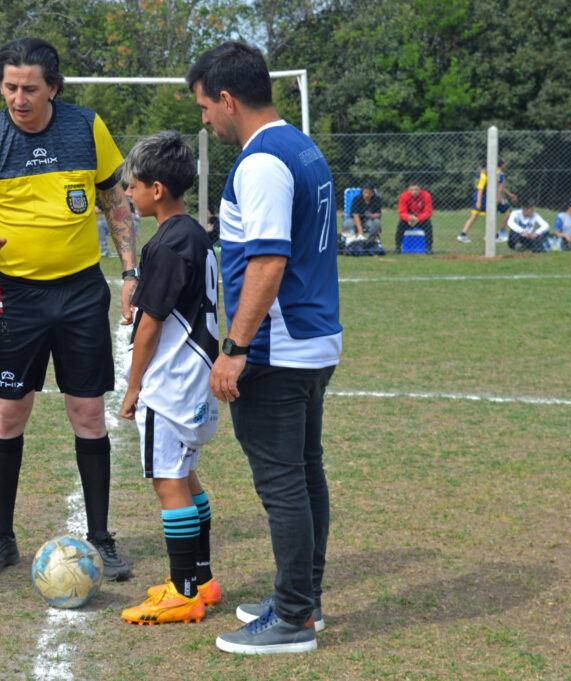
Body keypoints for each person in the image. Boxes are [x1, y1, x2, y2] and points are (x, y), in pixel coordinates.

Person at [0, 37, 138, 582]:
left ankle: (101, 536)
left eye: (30, 88)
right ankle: (1, 535)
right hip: (18, 297)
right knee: (10, 412)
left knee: (86, 413)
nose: (18, 98)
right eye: (9, 87)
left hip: (81, 293)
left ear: (53, 87)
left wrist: (130, 272)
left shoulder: (87, 128)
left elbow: (116, 204)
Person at [187, 41, 342, 655]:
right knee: (305, 474)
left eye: (204, 107)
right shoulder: (303, 146)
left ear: (227, 100)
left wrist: (234, 347)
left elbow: (269, 261)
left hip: (279, 348)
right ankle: (303, 597)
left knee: (283, 483)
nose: (205, 119)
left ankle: (295, 618)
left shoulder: (261, 161)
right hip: (314, 340)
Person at [117, 131, 220, 626]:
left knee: (168, 482)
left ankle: (182, 592)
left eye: (131, 187)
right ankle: (201, 579)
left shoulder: (167, 242)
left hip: (172, 384)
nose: (127, 195)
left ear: (156, 189)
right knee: (188, 475)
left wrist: (134, 387)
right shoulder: (195, 233)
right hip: (196, 381)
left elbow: (152, 323)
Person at [458, 158, 512, 243]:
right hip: (482, 199)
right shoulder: (483, 176)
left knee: (474, 216)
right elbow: (480, 189)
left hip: (478, 198)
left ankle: (463, 234)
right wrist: (479, 201)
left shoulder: (480, 174)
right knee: (490, 216)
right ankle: (495, 235)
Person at [394, 181, 434, 254]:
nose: (414, 192)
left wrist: (418, 219)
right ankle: (397, 248)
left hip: (421, 219)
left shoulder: (426, 195)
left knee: (428, 225)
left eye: (416, 190)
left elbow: (428, 212)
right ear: (408, 190)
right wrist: (408, 218)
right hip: (409, 219)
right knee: (400, 225)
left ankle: (429, 248)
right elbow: (402, 212)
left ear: (420, 189)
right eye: (411, 190)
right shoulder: (404, 195)